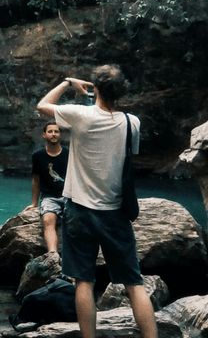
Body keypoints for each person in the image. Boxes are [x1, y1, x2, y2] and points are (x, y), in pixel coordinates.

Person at [37, 65, 157, 338]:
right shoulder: (132, 122)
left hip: (79, 211)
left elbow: (42, 105)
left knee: (84, 281)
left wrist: (68, 82)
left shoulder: (80, 115)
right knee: (133, 283)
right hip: (115, 212)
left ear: (96, 89)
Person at [23, 122, 68, 253]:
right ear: (44, 135)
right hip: (49, 197)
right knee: (48, 220)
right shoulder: (38, 155)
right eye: (50, 131)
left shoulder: (69, 153)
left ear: (60, 134)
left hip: (69, 196)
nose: (53, 134)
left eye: (56, 131)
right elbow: (36, 179)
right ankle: (52, 255)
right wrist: (33, 203)